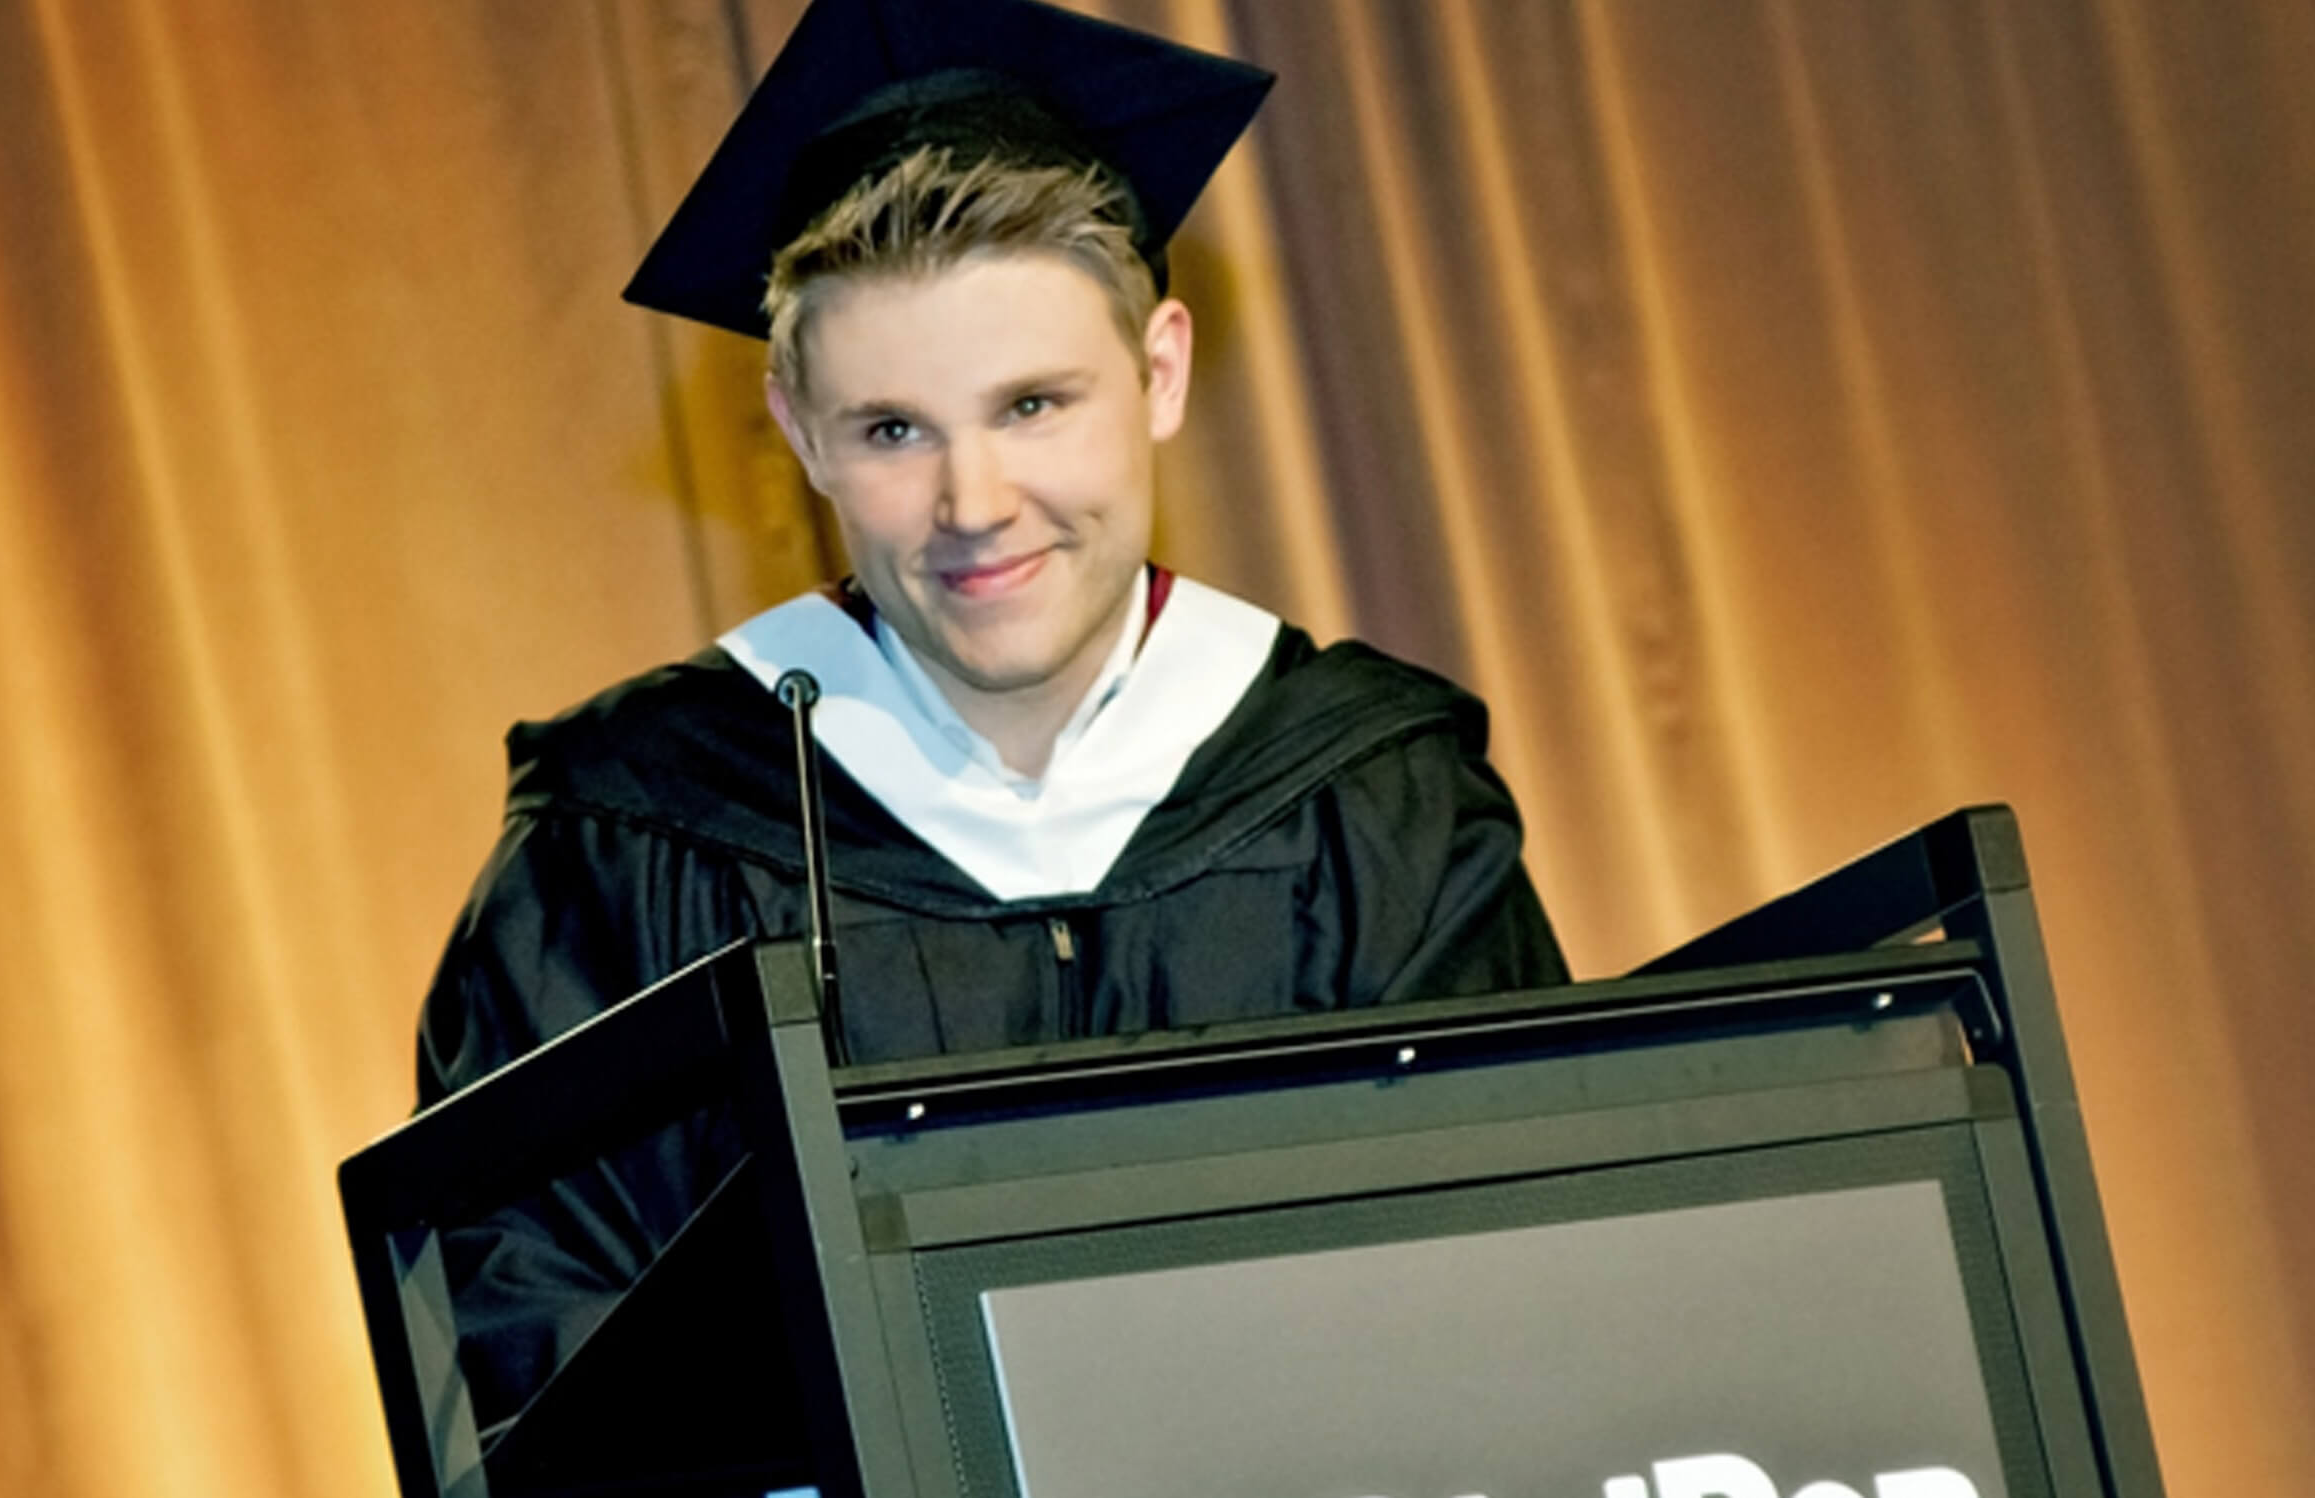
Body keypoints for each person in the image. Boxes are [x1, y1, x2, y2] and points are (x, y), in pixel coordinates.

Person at [409, 0, 1567, 1438]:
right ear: (795, 426)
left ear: (1159, 370)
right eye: (893, 428)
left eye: (1032, 403)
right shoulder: (631, 839)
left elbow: (1538, 1287)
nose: (972, 503)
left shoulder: (1372, 801)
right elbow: (534, 1349)